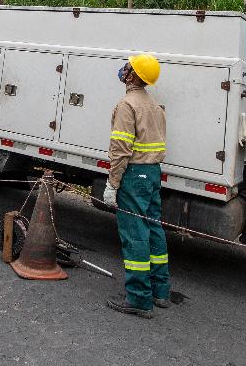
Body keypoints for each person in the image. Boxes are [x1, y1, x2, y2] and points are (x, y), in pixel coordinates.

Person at [103, 53, 169, 319]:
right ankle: (160, 291)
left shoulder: (126, 106)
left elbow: (120, 150)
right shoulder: (156, 106)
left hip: (133, 174)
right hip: (152, 173)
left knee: (135, 234)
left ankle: (139, 299)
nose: (124, 70)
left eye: (128, 68)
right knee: (153, 228)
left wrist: (112, 184)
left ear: (133, 76)